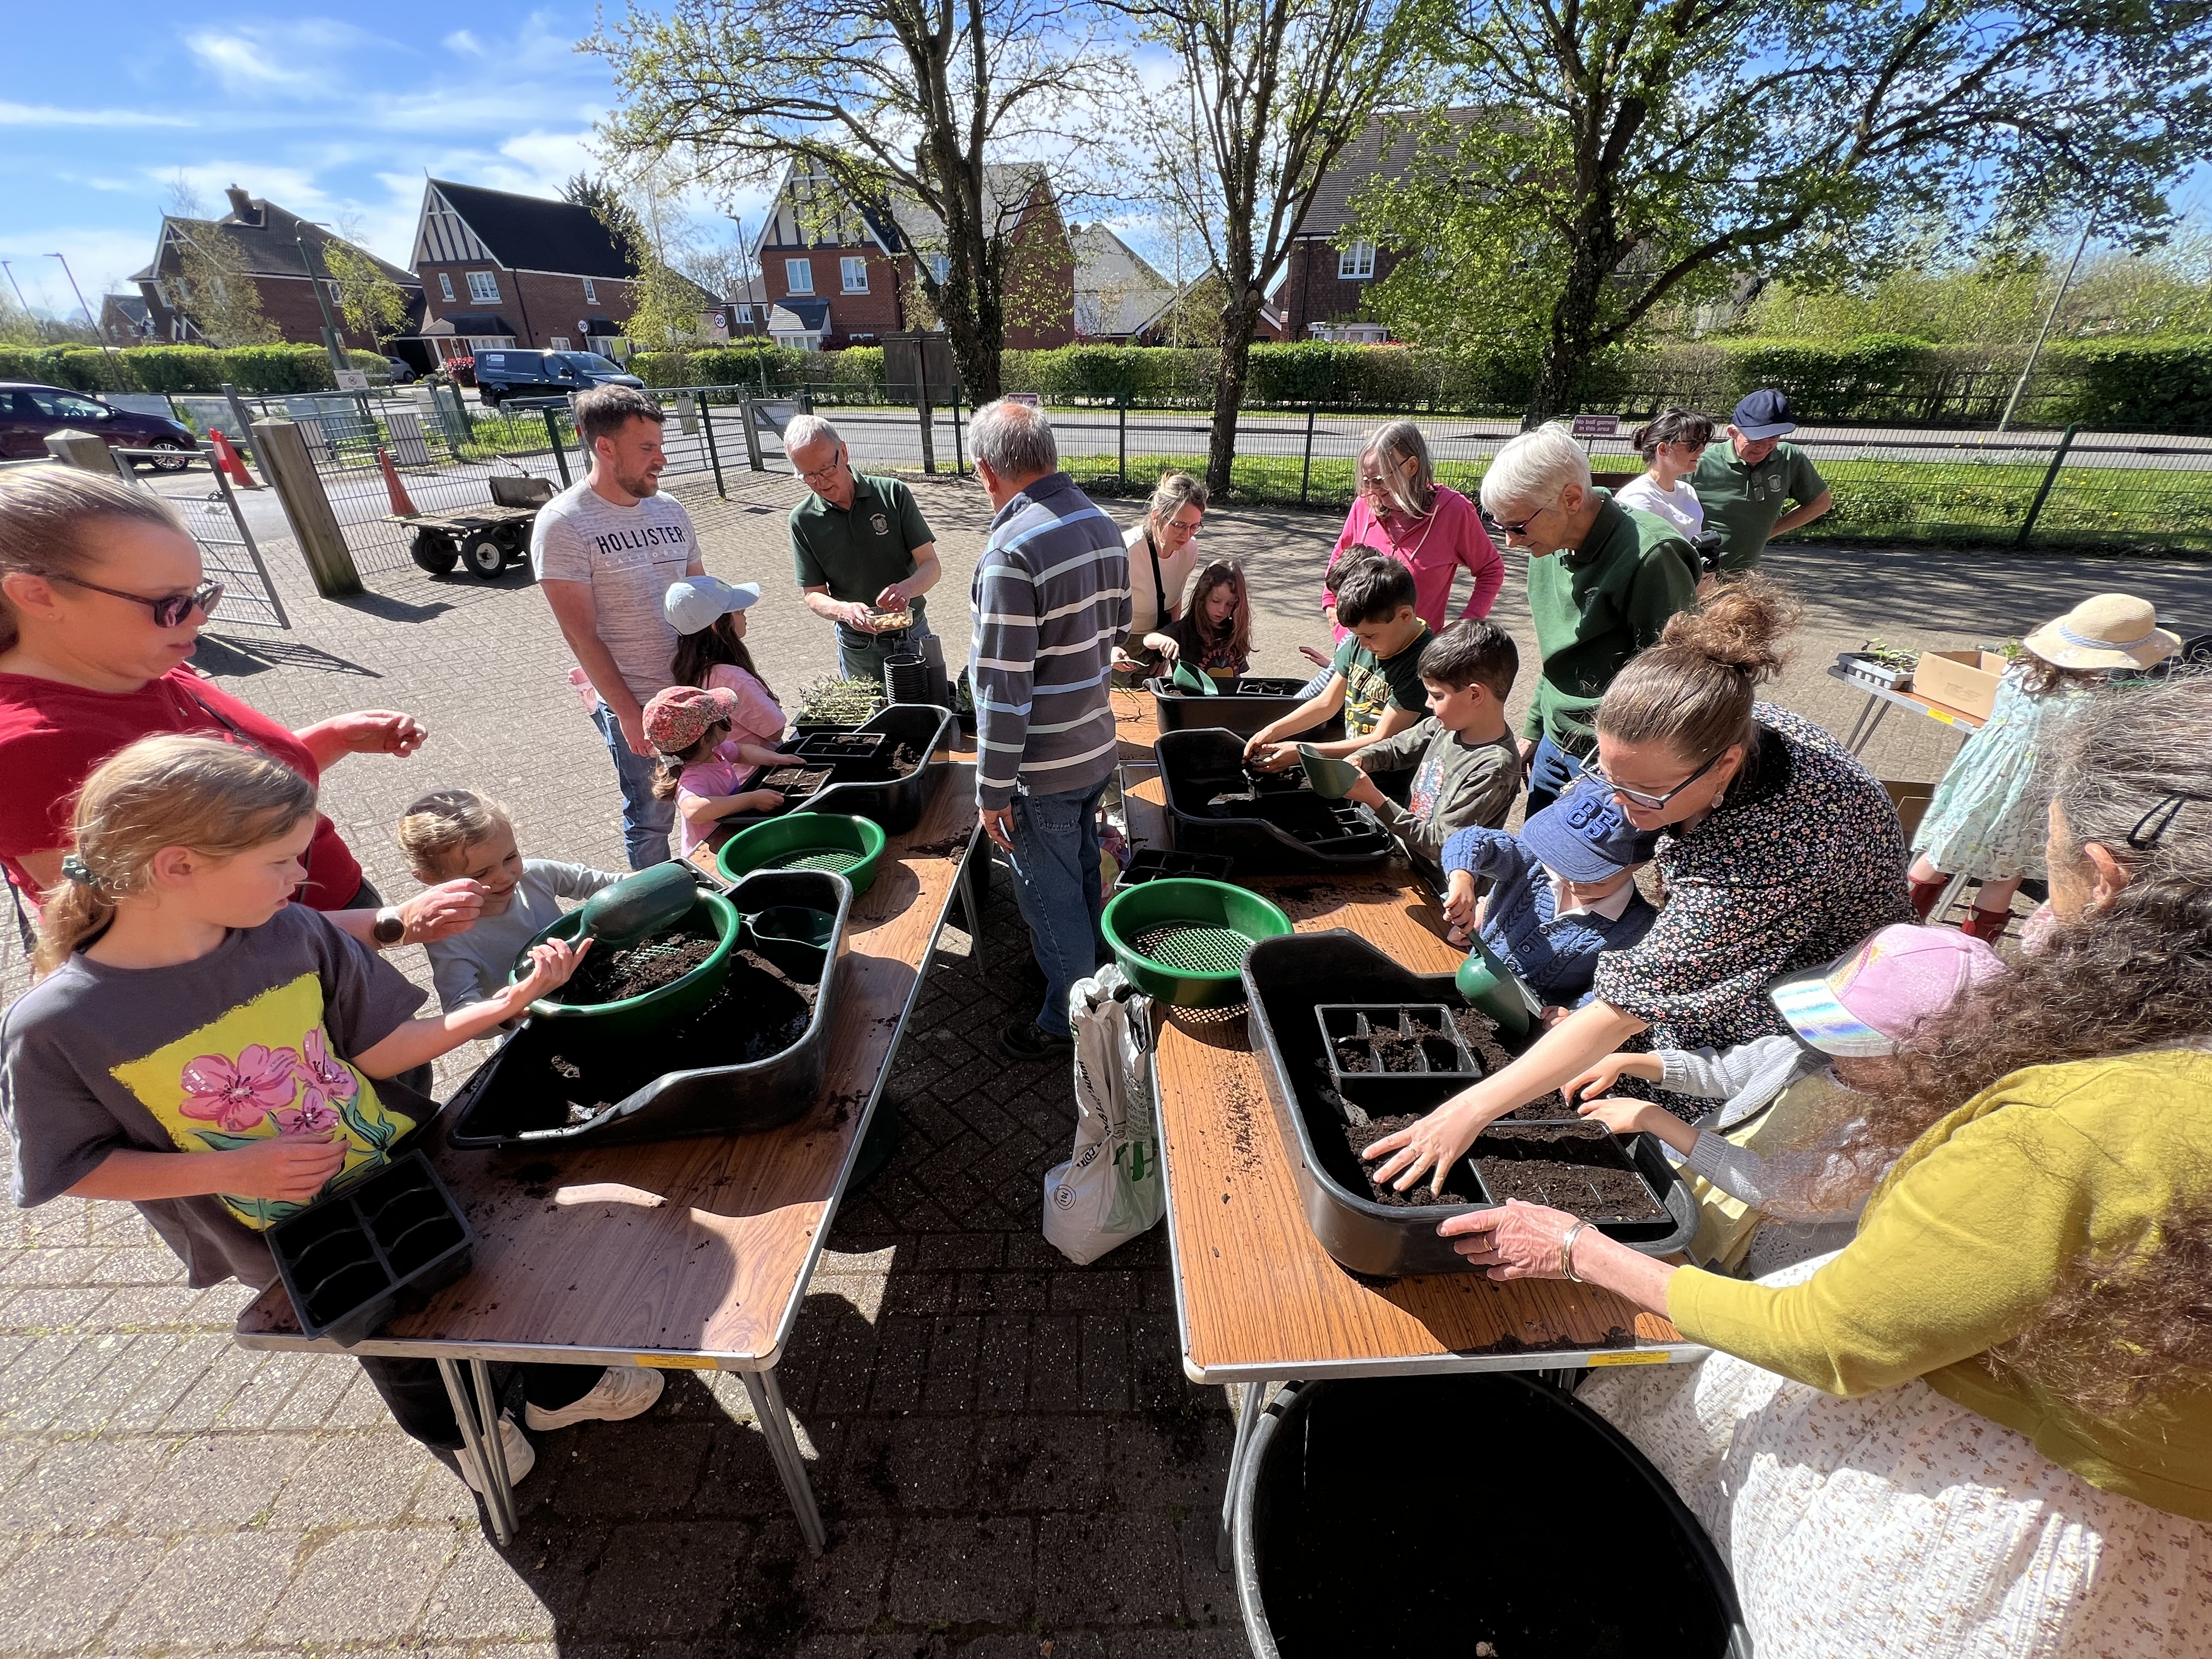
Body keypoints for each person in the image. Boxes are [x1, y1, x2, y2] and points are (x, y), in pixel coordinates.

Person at [1436, 676, 2212, 1656]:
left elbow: (1834, 1335)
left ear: (2106, 878)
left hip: (2019, 1515)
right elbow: (1741, 1063)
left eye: (2049, 861)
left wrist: (1578, 1247)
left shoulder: (2076, 1125)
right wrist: (1659, 1071)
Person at [0, 737, 663, 1496]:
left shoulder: (293, 932)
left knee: (484, 1276)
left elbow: (380, 1053)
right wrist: (231, 1169)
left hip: (394, 1161)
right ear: (177, 866)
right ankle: (464, 1432)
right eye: (280, 860)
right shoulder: (57, 1025)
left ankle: (557, 1393)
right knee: (391, 1341)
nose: (302, 877)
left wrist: (506, 1005)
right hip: (279, 1233)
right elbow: (73, 1169)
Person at [1362, 579, 1913, 1192]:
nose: (1622, 810)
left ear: (1724, 764)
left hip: (1818, 987)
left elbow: (1627, 1006)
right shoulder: (1686, 727)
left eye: (1644, 795)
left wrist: (1466, 1111)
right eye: (1609, 775)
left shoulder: (1770, 855)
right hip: (1749, 911)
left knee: (1726, 1112)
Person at [0, 466, 477, 953]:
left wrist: (331, 739)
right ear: (38, 595)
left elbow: (221, 802)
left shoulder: (139, 666)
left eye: (200, 595)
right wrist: (388, 925)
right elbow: (150, 937)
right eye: (169, 603)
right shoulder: (29, 750)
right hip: (270, 984)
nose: (200, 618)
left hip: (332, 915)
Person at [1570, 923, 2004, 1274]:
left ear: (1927, 1060)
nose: (1832, 1046)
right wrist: (1638, 1062)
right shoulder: (1811, 1054)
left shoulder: (1908, 1136)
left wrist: (1657, 1121)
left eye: (1851, 1038)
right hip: (1697, 1189)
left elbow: (1783, 1191)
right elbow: (1726, 1070)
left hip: (1744, 1258)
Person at [967, 399, 1132, 1062]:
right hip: (1095, 747)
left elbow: (1004, 692)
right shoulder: (1103, 523)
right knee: (1084, 870)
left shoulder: (1011, 551)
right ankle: (1096, 976)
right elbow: (1116, 634)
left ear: (987, 472)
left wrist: (991, 789)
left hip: (1041, 769)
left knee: (1047, 894)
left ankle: (1067, 1021)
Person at [1909, 593, 2175, 940]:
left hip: (1985, 780)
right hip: (2040, 792)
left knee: (1940, 851)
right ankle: (1973, 951)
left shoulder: (2020, 670)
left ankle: (1888, 928)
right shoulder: (2097, 700)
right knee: (2005, 875)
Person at [1477, 423, 1701, 814]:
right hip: (1554, 738)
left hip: (1611, 758)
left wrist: (1628, 776)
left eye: (1517, 527)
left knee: (1588, 874)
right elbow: (1558, 655)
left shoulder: (1652, 557)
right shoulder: (1545, 546)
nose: (1510, 542)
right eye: (1501, 526)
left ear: (1571, 498)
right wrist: (1533, 730)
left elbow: (1675, 684)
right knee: (1536, 861)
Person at [533, 384, 705, 870]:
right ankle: (657, 908)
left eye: (660, 446)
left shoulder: (671, 509)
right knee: (652, 815)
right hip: (636, 700)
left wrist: (726, 619)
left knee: (714, 793)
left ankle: (715, 888)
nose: (662, 460)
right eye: (646, 448)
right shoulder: (563, 524)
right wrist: (629, 713)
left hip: (695, 690)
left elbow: (698, 591)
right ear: (604, 447)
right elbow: (580, 635)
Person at [1436, 775, 1660, 1009]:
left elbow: (1613, 991)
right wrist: (1462, 877)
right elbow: (1472, 840)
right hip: (1468, 975)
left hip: (1528, 1023)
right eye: (1563, 863)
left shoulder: (1638, 928)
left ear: (1637, 866)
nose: (1572, 881)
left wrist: (1573, 1014)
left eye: (1592, 877)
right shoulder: (1533, 865)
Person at [396, 788, 623, 1017]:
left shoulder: (537, 875)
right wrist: (514, 1006)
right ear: (431, 878)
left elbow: (614, 885)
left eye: (511, 857)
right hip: (533, 1026)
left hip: (594, 992)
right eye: (481, 874)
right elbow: (460, 1010)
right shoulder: (447, 936)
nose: (504, 876)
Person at [1339, 617, 1523, 874]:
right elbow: (1396, 749)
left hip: (1446, 888)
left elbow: (1442, 844)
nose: (1427, 703)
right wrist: (1361, 758)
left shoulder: (1494, 767)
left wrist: (1376, 800)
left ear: (1474, 695)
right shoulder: (1444, 724)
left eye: (1437, 695)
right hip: (1414, 860)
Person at [784, 414, 943, 682]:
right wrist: (843, 611)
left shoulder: (893, 494)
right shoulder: (803, 520)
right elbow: (813, 594)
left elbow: (931, 565)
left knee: (926, 715)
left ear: (843, 452)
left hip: (913, 633)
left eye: (826, 470)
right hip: (858, 646)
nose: (821, 483)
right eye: (809, 476)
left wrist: (906, 589)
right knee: (869, 721)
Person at [1318, 420, 1503, 645]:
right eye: (1367, 480)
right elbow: (1341, 552)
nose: (1372, 490)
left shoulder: (1454, 512)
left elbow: (1491, 570)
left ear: (1412, 467)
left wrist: (1467, 623)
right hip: (1356, 648)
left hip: (1414, 657)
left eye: (1380, 480)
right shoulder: (1364, 505)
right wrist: (1330, 602)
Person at [1247, 558, 1430, 770]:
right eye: (1356, 636)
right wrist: (1273, 731)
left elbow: (1382, 739)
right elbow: (1327, 704)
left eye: (1370, 636)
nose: (1362, 644)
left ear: (1405, 616)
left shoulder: (1422, 664)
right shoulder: (1362, 640)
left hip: (1393, 782)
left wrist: (1303, 751)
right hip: (1355, 768)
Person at [1691, 389, 1833, 573]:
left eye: (1773, 438)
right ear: (1732, 432)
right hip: (1698, 577)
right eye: (1755, 439)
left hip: (1744, 578)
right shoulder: (1699, 464)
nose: (1764, 447)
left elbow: (1821, 503)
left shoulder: (1789, 459)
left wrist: (1767, 532)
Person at [642, 685, 787, 859]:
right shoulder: (693, 776)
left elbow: (741, 752)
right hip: (712, 852)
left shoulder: (712, 752)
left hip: (731, 835)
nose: (726, 721)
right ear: (705, 739)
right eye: (721, 721)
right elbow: (693, 810)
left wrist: (779, 759)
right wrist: (752, 800)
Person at [1110, 472, 1209, 685]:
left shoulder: (1190, 550)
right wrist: (1108, 649)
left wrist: (1165, 648)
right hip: (1119, 645)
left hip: (1155, 642)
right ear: (1156, 516)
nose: (1187, 535)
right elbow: (1096, 606)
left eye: (1194, 526)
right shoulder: (1126, 550)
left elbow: (1175, 599)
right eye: (1179, 525)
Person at [665, 575, 785, 749]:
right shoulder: (732, 679)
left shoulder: (689, 667)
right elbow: (775, 730)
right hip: (755, 770)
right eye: (739, 612)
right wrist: (773, 705)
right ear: (716, 626)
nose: (745, 615)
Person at [1611, 407, 1714, 539]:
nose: (1701, 449)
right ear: (1663, 449)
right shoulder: (1638, 498)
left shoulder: (1688, 491)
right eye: (1692, 443)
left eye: (1702, 442)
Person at [1144, 559, 1252, 685]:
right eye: (1216, 601)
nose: (1222, 610)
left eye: (1230, 604)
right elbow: (1148, 639)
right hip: (1192, 701)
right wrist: (1164, 641)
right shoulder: (1185, 629)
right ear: (1202, 597)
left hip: (1226, 702)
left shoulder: (1234, 631)